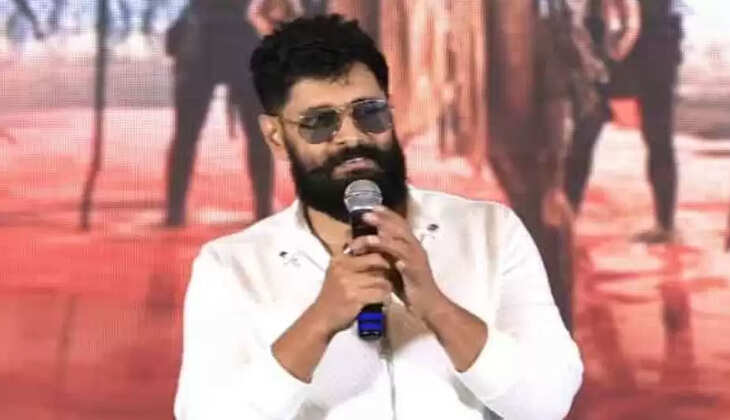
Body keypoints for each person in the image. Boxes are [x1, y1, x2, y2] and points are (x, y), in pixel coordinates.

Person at [174, 15, 582, 419]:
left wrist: (438, 308)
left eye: (369, 112)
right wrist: (319, 321)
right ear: (276, 137)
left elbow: (547, 403)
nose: (351, 136)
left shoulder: (490, 233)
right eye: (319, 122)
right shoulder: (232, 266)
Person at [164, 0, 301, 226]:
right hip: (230, 39)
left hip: (211, 38)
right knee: (254, 135)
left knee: (187, 135)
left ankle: (175, 211)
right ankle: (263, 209)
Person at [564, 0, 684, 243]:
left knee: (656, 134)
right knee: (586, 132)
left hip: (652, 38)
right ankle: (565, 217)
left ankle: (665, 224)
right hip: (620, 36)